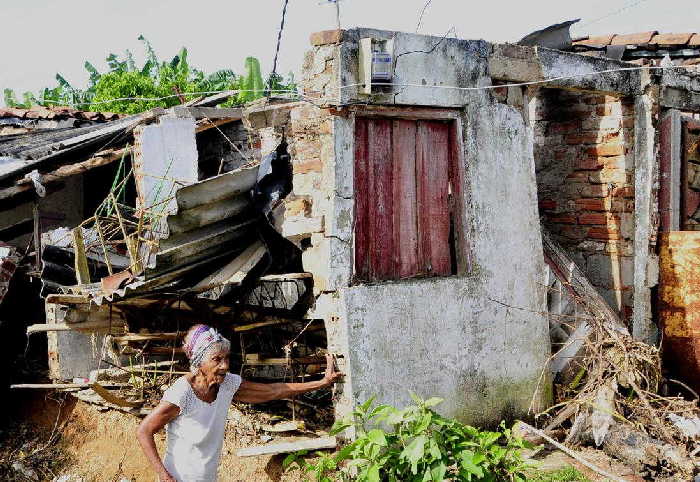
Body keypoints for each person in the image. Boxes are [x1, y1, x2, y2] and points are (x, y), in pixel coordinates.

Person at [137, 324, 343, 482]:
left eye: (226, 358)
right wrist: (164, 476)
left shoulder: (228, 385)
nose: (224, 366)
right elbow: (144, 430)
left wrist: (321, 383)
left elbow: (274, 391)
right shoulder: (182, 393)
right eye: (216, 359)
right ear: (199, 363)